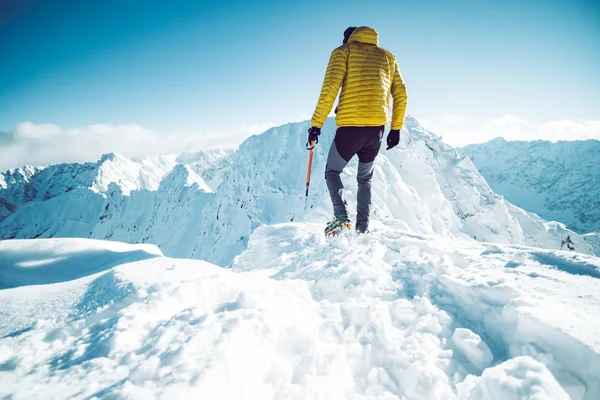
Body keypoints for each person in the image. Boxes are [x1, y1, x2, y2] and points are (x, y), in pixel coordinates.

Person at [307, 26, 408, 235]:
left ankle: (341, 215)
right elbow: (401, 93)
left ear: (348, 39)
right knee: (365, 179)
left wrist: (316, 125)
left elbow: (330, 89)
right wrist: (395, 129)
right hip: (377, 131)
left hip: (351, 128)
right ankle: (362, 228)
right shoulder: (388, 57)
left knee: (332, 172)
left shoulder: (343, 52)